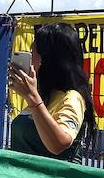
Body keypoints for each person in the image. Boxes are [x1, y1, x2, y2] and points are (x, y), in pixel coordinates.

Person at [7, 22, 97, 161]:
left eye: (33, 53)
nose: (30, 60)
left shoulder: (72, 98)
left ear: (48, 59)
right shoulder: (44, 96)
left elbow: (58, 144)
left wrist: (32, 98)